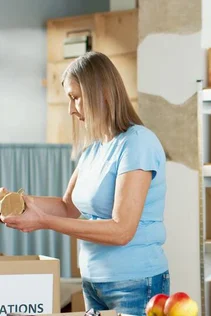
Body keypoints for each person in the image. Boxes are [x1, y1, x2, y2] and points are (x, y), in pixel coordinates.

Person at [0, 51, 170, 315]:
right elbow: (67, 206)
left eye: (75, 98)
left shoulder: (137, 143)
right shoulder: (93, 151)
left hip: (136, 282)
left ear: (101, 91)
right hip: (93, 282)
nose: (71, 109)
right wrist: (20, 203)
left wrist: (44, 221)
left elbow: (122, 230)